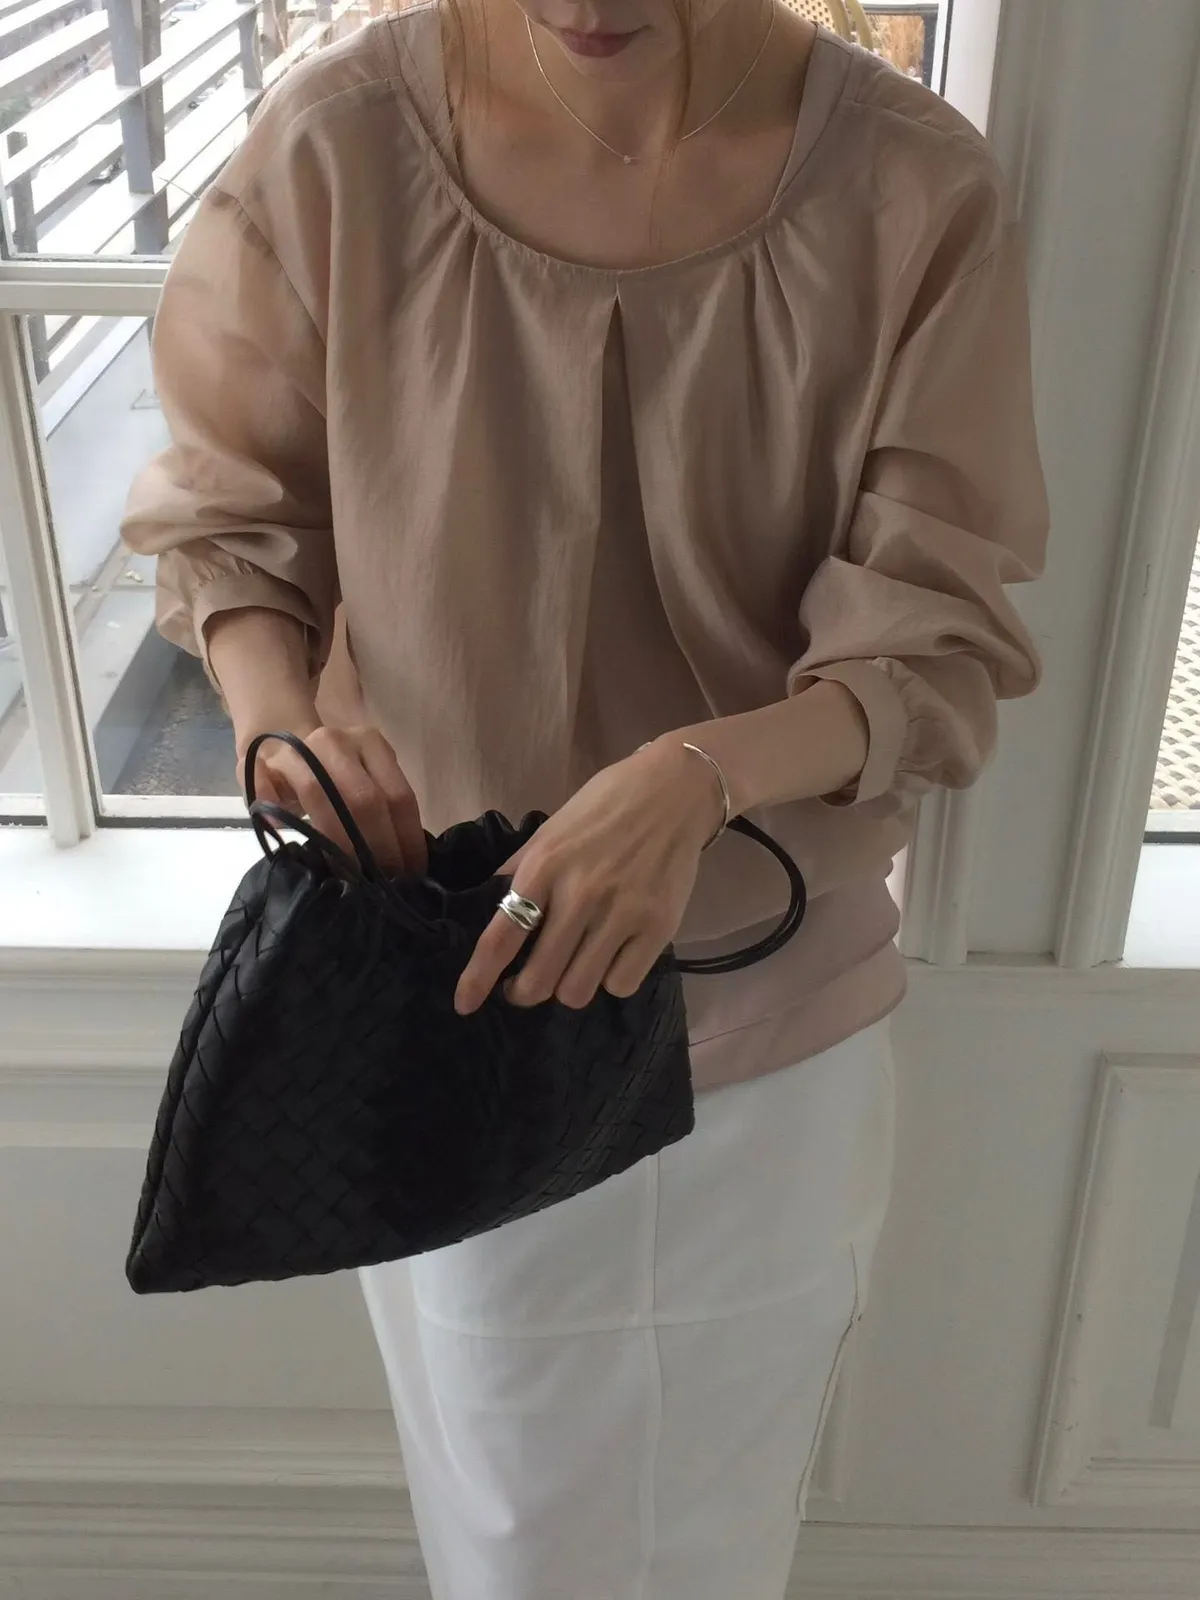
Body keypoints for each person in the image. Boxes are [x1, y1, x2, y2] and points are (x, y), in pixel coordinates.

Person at [121, 0, 1048, 1590]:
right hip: (436, 994)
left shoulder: (911, 188)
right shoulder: (339, 144)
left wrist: (698, 776)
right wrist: (284, 730)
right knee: (503, 1531)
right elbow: (235, 519)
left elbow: (933, 642)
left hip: (753, 1040)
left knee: (673, 1546)